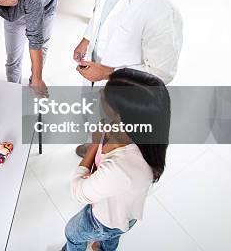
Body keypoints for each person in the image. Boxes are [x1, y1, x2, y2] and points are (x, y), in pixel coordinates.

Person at [72, 0, 182, 157]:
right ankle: (94, 146)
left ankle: (100, 161)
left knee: (114, 140)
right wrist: (86, 38)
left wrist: (108, 73)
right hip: (95, 80)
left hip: (123, 96)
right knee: (94, 119)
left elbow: (161, 74)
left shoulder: (161, 12)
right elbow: (100, 15)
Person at [63, 68, 171, 251]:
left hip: (104, 220)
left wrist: (94, 145)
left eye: (106, 94)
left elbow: (78, 191)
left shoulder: (122, 168)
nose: (100, 92)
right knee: (113, 237)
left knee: (72, 234)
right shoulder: (146, 134)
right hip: (124, 216)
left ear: (120, 114)